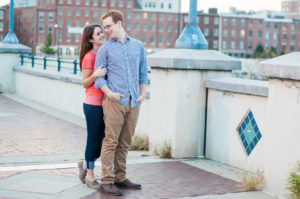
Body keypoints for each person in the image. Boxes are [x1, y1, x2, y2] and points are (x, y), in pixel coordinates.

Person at [94, 10, 148, 196]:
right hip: (114, 102)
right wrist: (110, 94)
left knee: (125, 142)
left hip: (134, 102)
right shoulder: (105, 49)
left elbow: (143, 72)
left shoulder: (138, 46)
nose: (106, 30)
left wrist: (143, 94)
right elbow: (99, 79)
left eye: (109, 26)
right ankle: (106, 181)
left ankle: (120, 177)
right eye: (105, 27)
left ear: (119, 23)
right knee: (111, 142)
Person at [77, 24, 107, 190]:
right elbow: (84, 82)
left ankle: (84, 164)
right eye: (98, 33)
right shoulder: (89, 57)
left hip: (105, 104)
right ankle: (90, 177)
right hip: (93, 104)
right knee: (93, 139)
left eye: (102, 32)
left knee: (102, 142)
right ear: (91, 39)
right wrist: (95, 75)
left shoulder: (103, 54)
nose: (102, 35)